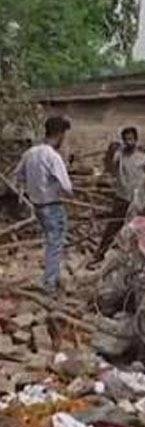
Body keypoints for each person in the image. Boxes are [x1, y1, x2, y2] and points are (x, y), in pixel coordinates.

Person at [12, 116, 73, 294]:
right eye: (64, 135)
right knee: (56, 242)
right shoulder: (52, 156)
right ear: (60, 134)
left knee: (51, 241)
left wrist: (29, 191)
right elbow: (67, 186)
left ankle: (52, 276)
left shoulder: (30, 153)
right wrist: (66, 192)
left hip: (37, 205)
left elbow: (18, 176)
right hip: (52, 205)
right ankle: (49, 283)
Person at [90, 126, 145, 266]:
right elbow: (109, 166)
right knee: (113, 227)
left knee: (139, 228)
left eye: (131, 139)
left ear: (136, 140)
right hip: (122, 197)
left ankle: (143, 258)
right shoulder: (119, 156)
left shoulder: (143, 158)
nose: (129, 142)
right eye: (126, 140)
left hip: (137, 201)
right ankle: (99, 255)